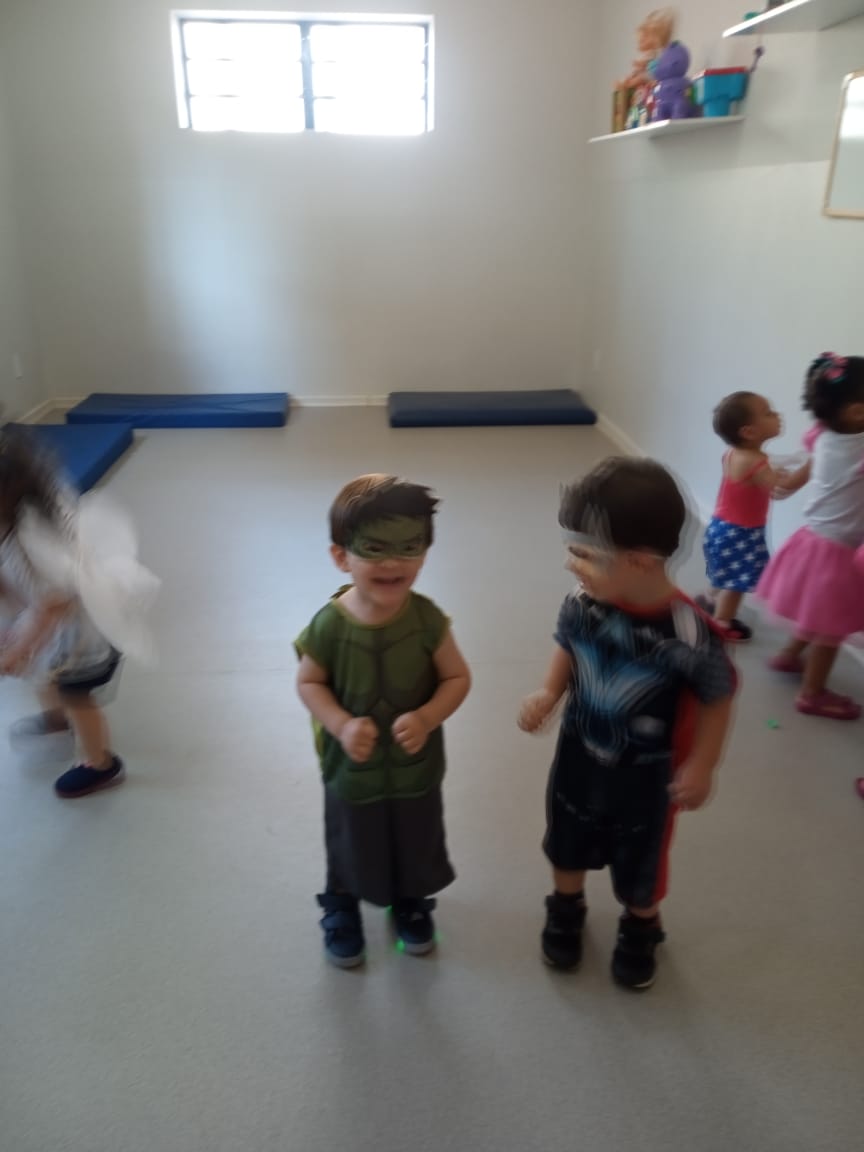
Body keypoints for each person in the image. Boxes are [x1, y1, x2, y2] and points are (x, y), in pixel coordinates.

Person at [518, 458, 736, 991]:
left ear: (639, 561)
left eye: (585, 555)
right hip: (578, 754)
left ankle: (642, 924)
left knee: (641, 861)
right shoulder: (584, 603)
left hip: (647, 776)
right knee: (566, 838)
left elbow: (717, 696)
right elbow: (568, 644)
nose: (571, 565)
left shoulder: (688, 633)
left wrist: (702, 764)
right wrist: (549, 691)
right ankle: (566, 905)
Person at [296, 474, 471, 969]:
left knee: (415, 836)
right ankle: (341, 904)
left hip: (415, 768)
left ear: (425, 553)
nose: (393, 563)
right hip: (352, 769)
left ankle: (410, 899)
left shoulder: (428, 621)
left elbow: (457, 677)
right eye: (374, 549)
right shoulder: (329, 624)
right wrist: (340, 725)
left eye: (409, 547)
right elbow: (309, 683)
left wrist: (428, 716)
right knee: (350, 839)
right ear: (341, 556)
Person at [0, 427, 157, 797]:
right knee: (43, 672)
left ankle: (101, 764)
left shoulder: (32, 543)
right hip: (54, 614)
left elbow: (52, 606)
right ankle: (57, 723)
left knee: (75, 694)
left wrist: (20, 649)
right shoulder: (19, 513)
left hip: (84, 629)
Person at [757, 353, 864, 720]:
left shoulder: (826, 433)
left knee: (816, 611)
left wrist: (790, 483)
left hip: (811, 540)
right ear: (857, 412)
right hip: (838, 551)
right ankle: (812, 693)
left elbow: (812, 462)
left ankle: (789, 655)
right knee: (830, 630)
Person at [698, 392, 807, 641]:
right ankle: (722, 622)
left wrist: (781, 468)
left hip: (721, 526)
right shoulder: (755, 461)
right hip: (741, 533)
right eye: (769, 413)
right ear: (749, 432)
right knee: (736, 583)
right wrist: (811, 468)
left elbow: (759, 476)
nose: (777, 415)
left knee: (725, 568)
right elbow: (782, 488)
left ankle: (709, 597)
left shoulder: (735, 453)